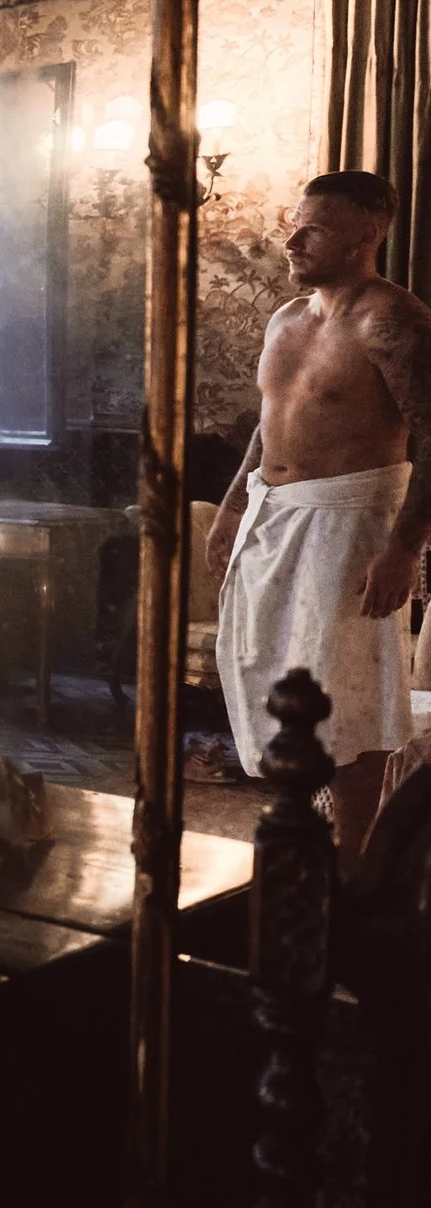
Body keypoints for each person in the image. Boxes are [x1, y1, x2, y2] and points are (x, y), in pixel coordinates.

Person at [208, 170, 431, 866]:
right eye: (294, 223)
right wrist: (234, 504)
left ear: (368, 235)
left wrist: (402, 550)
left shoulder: (393, 322)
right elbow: (269, 422)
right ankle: (303, 846)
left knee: (347, 707)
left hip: (347, 523)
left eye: (315, 228)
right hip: (272, 517)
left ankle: (352, 871)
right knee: (271, 683)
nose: (293, 240)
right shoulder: (287, 319)